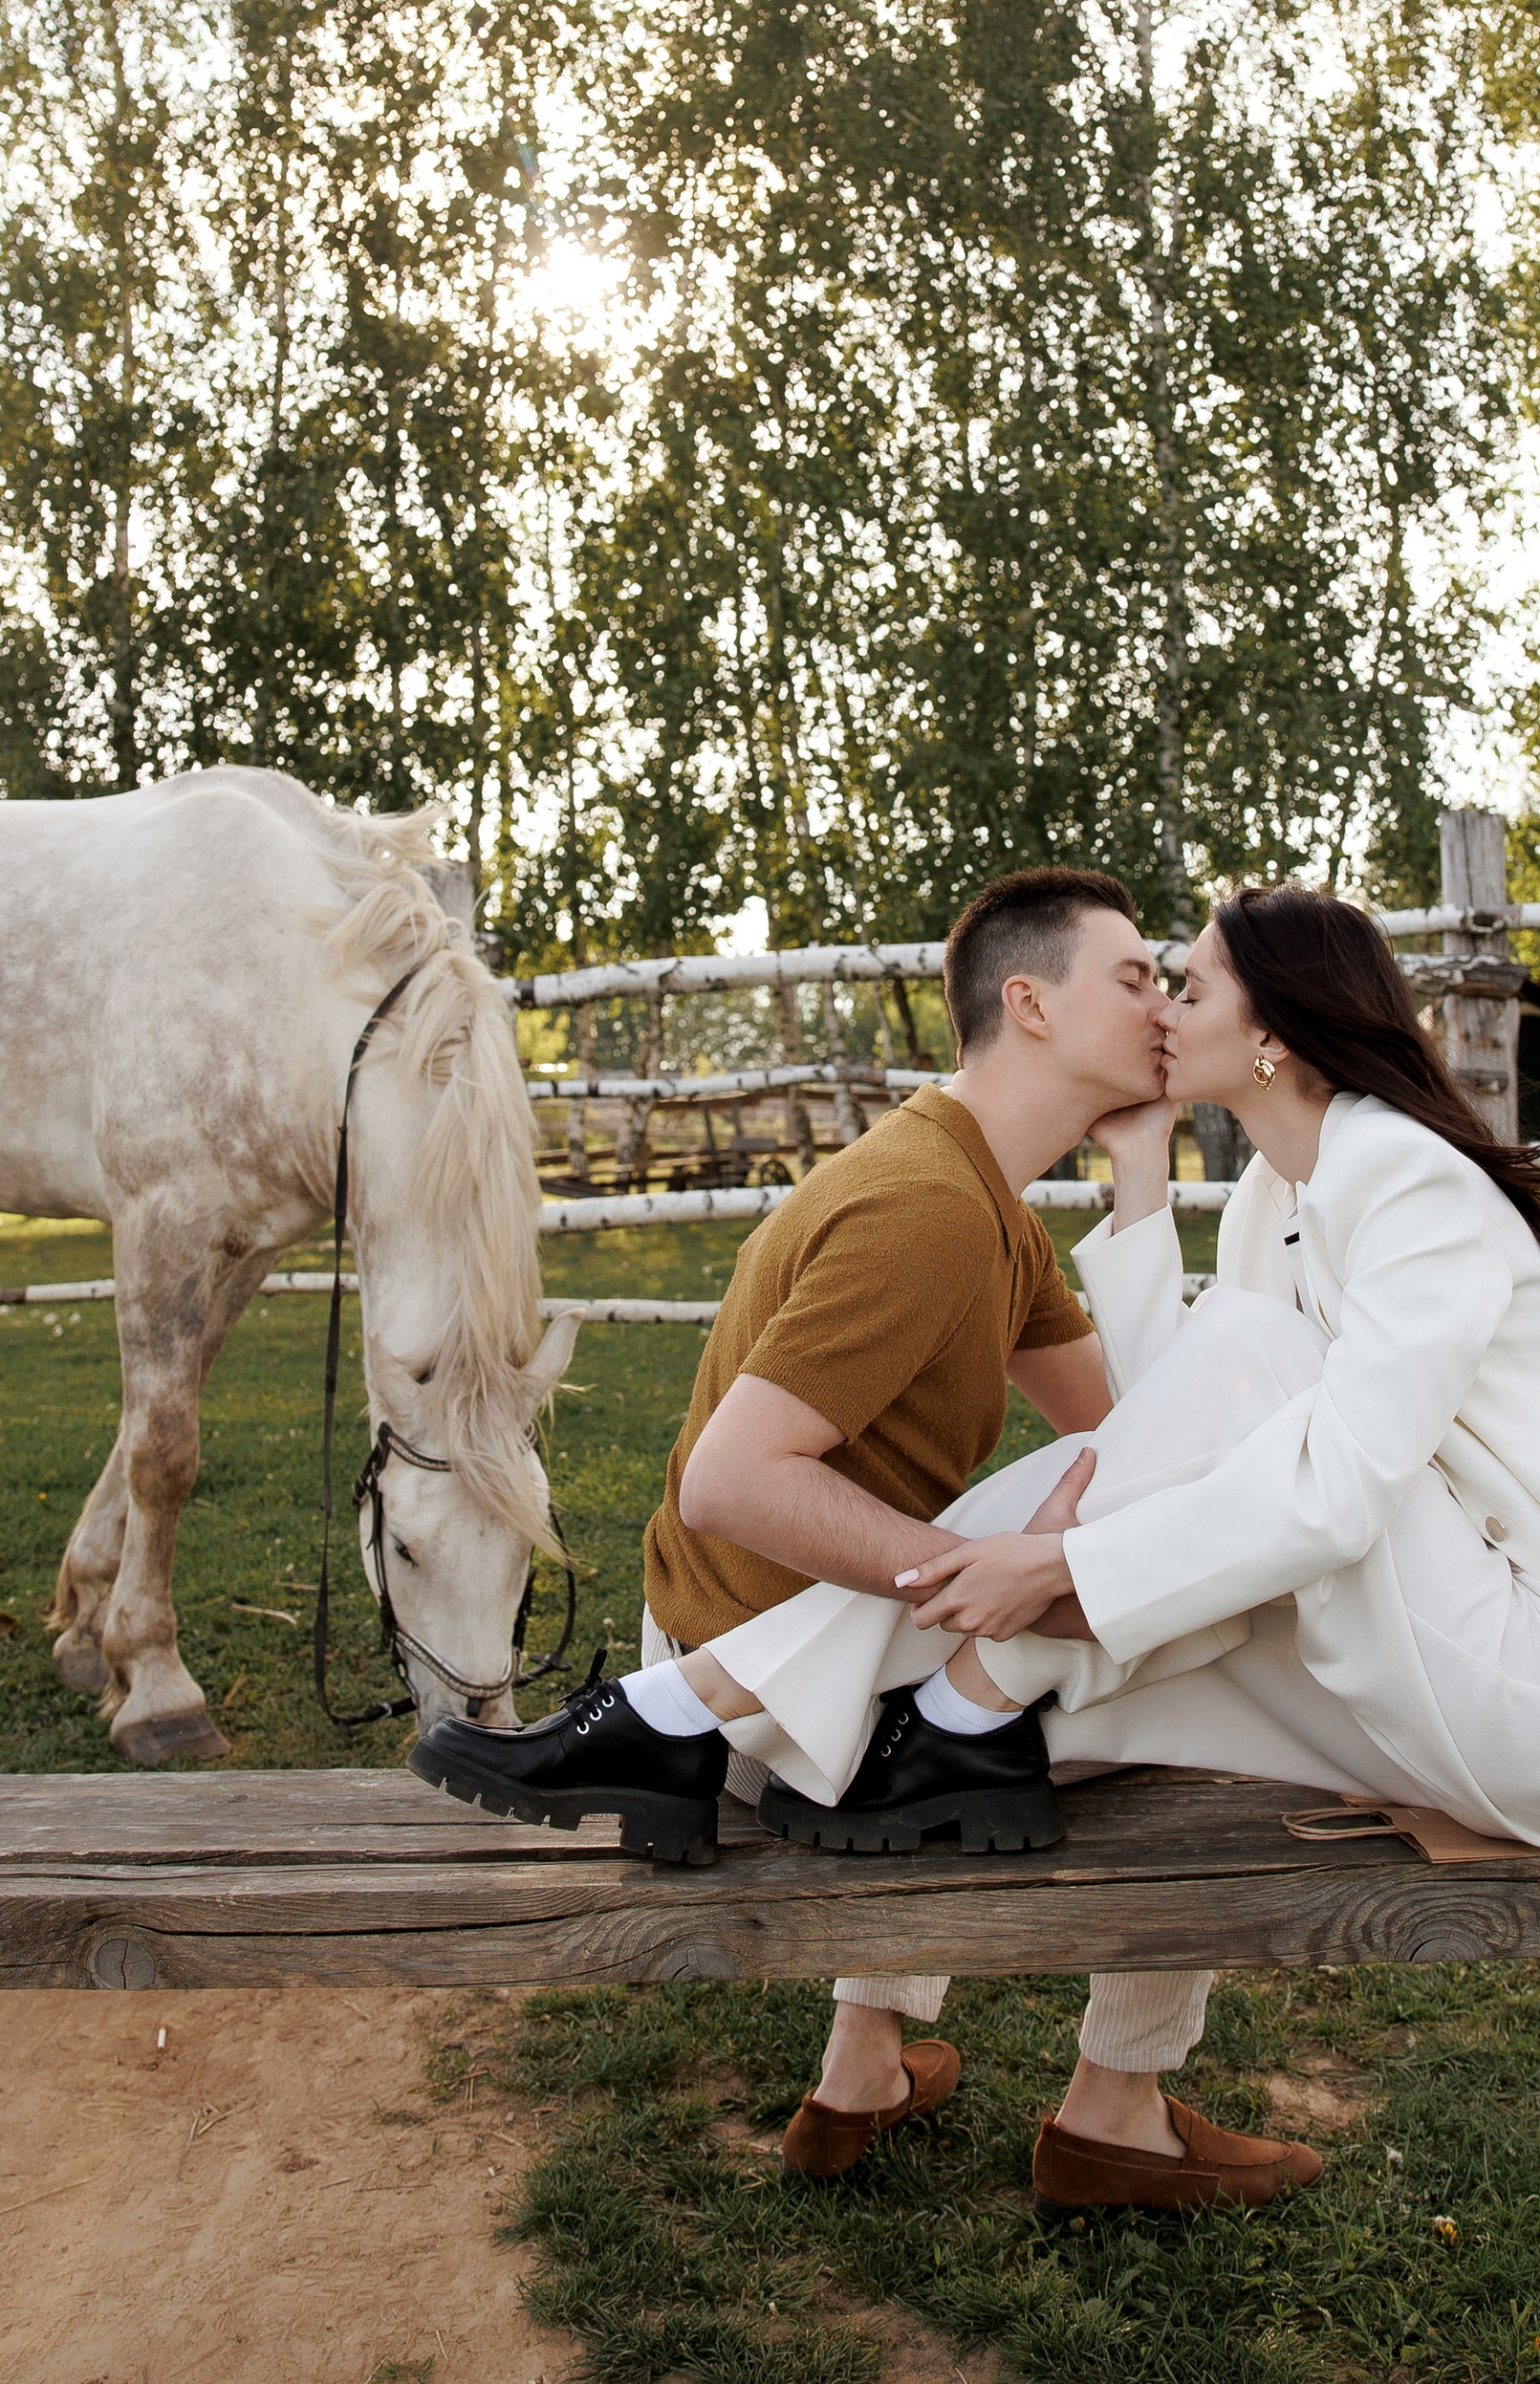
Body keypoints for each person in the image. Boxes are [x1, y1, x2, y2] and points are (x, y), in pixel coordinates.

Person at [476, 884, 1540, 2206]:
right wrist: (1135, 1180)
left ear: (1278, 1030)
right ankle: (1097, 2093)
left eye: (1188, 983)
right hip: (1409, 1656)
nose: (1167, 1007)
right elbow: (1160, 1441)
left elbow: (1320, 1482)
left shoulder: (1412, 1182)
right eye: (1147, 979)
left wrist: (1057, 1578)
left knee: (1182, 1454)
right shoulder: (1257, 1208)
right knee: (1146, 1551)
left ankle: (728, 1709)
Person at [411, 867, 1327, 2218]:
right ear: (1028, 1004)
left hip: (753, 1646)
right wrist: (989, 1583)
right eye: (1134, 976)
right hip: (757, 1700)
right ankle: (1119, 2108)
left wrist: (1139, 1170)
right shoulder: (929, 1213)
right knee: (1200, 1664)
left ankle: (863, 2064)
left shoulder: (984, 1199)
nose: (1163, 1001)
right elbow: (733, 1483)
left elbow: (1130, 1436)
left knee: (1114, 1549)